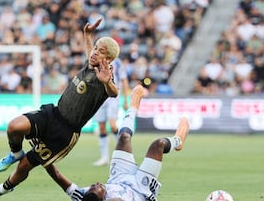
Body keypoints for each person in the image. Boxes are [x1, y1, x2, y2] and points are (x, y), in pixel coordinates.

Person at [0, 18, 120, 198]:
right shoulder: (91, 64)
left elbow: (114, 92)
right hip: (52, 114)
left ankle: (3, 188)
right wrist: (87, 35)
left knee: (26, 165)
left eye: (100, 52)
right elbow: (90, 52)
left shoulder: (105, 77)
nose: (93, 53)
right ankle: (15, 152)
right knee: (14, 126)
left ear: (107, 59)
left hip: (65, 132)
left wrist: (107, 82)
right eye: (95, 48)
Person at [45, 85, 189, 201]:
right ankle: (178, 140)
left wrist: (42, 156)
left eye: (92, 186)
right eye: (98, 188)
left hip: (119, 177)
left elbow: (57, 176)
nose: (97, 184)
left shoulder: (84, 196)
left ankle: (133, 104)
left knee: (124, 137)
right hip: (140, 190)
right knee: (159, 144)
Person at [93, 57, 130, 166]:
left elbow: (124, 80)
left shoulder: (117, 61)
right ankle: (104, 158)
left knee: (113, 125)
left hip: (113, 97)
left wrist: (126, 99)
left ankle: (123, 153)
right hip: (99, 97)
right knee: (102, 127)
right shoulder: (97, 60)